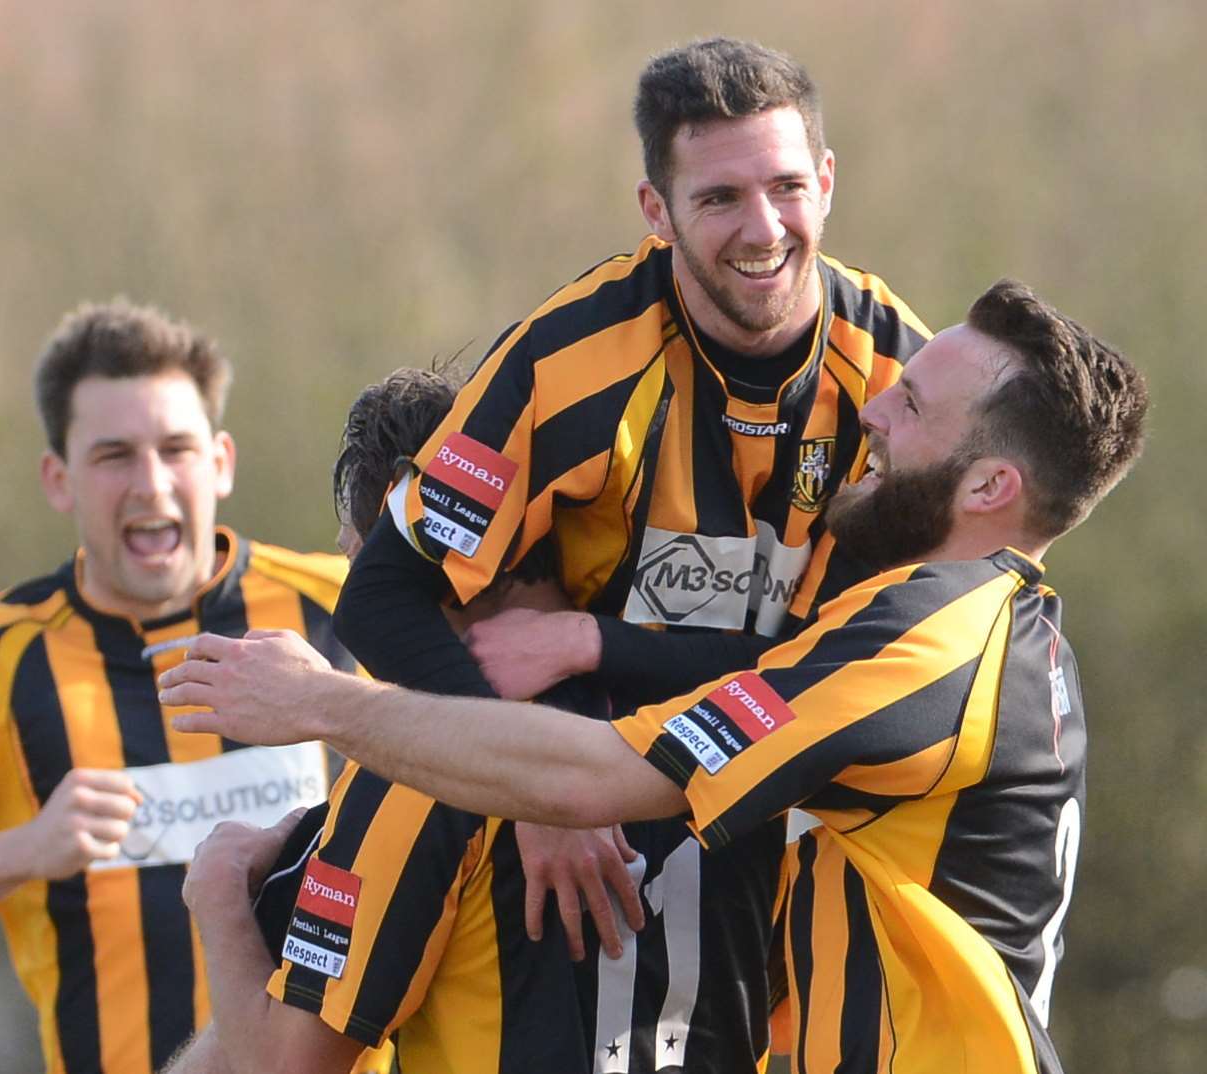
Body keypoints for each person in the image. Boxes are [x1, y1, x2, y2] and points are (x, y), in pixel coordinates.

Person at [160, 278, 1149, 1074]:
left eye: (913, 401)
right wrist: (593, 646)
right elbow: (758, 670)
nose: (873, 407)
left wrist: (312, 714)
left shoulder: (926, 640)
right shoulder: (987, 634)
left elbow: (278, 1064)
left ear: (989, 485)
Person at [331, 34, 931, 1069]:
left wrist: (589, 645)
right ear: (656, 212)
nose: (764, 229)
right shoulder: (568, 356)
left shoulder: (899, 374)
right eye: (718, 199)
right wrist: (532, 785)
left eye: (787, 187)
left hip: (804, 794)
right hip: (590, 841)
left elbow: (888, 665)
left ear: (827, 182)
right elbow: (382, 596)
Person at [0, 300, 359, 1074]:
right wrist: (22, 851)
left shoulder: (350, 605)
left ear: (221, 462)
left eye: (177, 449)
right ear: (58, 479)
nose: (152, 484)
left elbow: (489, 754)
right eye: (114, 455)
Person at [165, 365, 625, 1074]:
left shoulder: (413, 776)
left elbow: (286, 1067)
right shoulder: (694, 722)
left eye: (363, 564)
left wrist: (219, 889)